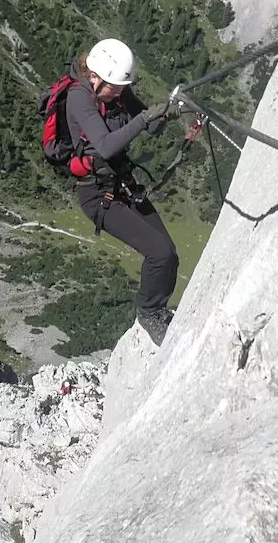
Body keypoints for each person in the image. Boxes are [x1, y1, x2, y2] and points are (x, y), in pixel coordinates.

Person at [63, 38, 181, 346]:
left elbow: (148, 125)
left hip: (122, 184)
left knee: (169, 255)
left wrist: (167, 112)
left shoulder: (115, 89)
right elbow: (105, 145)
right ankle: (150, 313)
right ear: (95, 77)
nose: (119, 92)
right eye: (115, 87)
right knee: (159, 253)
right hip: (97, 194)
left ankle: (158, 308)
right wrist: (143, 120)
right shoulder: (79, 98)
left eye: (121, 87)